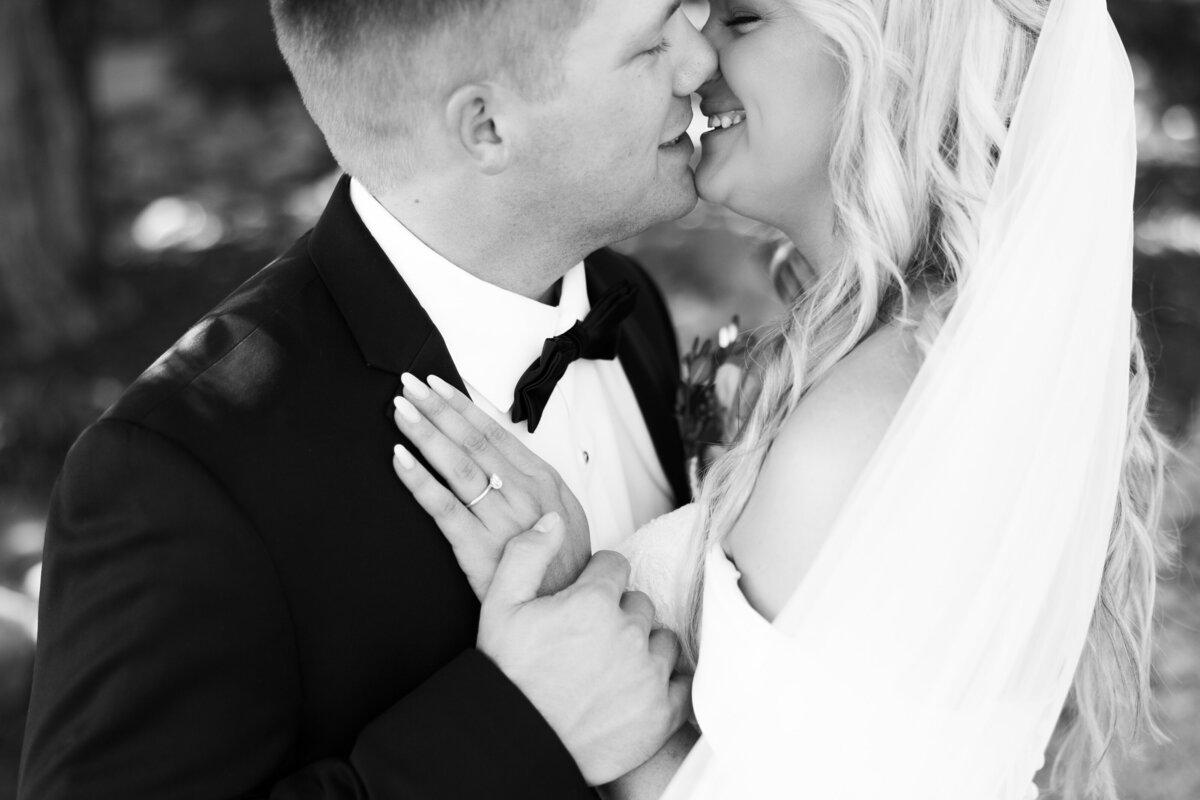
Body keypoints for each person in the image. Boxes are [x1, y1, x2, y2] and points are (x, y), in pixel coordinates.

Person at [389, 0, 1171, 798]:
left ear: (890, 71)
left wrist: (569, 616)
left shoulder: (863, 429)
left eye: (744, 18)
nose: (697, 57)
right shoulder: (950, 359)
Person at [18, 1, 719, 798]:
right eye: (652, 42)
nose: (700, 61)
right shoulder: (184, 474)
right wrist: (517, 732)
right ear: (487, 126)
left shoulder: (628, 305)